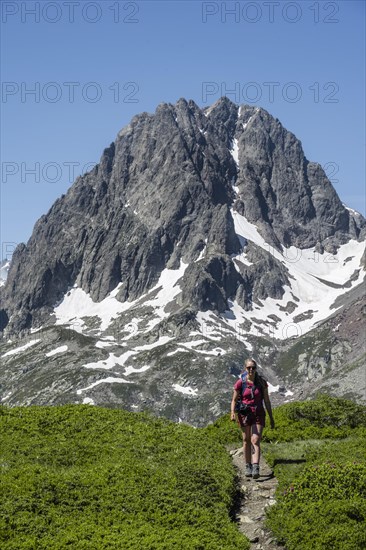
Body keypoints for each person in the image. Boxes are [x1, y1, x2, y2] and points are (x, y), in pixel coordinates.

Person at [230, 358, 275, 479]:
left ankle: (256, 466)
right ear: (245, 369)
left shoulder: (261, 383)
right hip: (244, 414)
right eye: (249, 368)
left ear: (256, 368)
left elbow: (266, 401)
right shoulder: (240, 383)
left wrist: (271, 417)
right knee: (246, 440)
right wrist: (232, 413)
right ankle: (247, 465)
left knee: (255, 439)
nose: (251, 370)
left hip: (258, 413)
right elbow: (234, 400)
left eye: (253, 368)